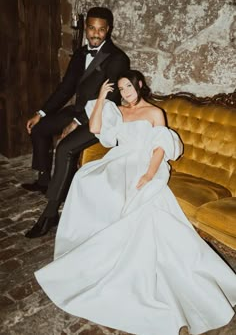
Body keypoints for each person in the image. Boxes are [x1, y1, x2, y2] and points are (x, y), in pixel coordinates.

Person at [35, 70, 236, 335]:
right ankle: (91, 244)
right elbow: (95, 129)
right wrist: (100, 97)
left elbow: (160, 147)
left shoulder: (154, 113)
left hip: (144, 162)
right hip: (119, 158)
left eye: (129, 86)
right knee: (86, 178)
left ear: (139, 85)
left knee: (124, 192)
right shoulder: (116, 109)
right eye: (121, 88)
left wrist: (150, 174)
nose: (126, 92)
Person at [23, 6, 130, 238]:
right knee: (39, 128)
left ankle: (50, 214)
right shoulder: (81, 54)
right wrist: (40, 113)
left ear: (108, 30)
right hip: (80, 111)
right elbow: (65, 88)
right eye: (91, 28)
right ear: (86, 29)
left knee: (64, 149)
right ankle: (44, 179)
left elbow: (109, 98)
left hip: (102, 117)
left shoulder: (118, 59)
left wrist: (75, 121)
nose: (95, 33)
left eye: (101, 30)